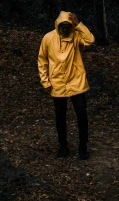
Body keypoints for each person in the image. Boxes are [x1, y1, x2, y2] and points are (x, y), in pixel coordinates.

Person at [37, 10, 95, 159]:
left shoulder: (76, 36)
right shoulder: (48, 38)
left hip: (76, 82)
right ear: (58, 26)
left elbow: (90, 40)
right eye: (62, 27)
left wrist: (78, 24)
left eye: (67, 27)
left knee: (82, 115)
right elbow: (42, 60)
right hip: (57, 83)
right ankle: (63, 147)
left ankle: (83, 147)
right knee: (60, 117)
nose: (65, 30)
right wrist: (45, 81)